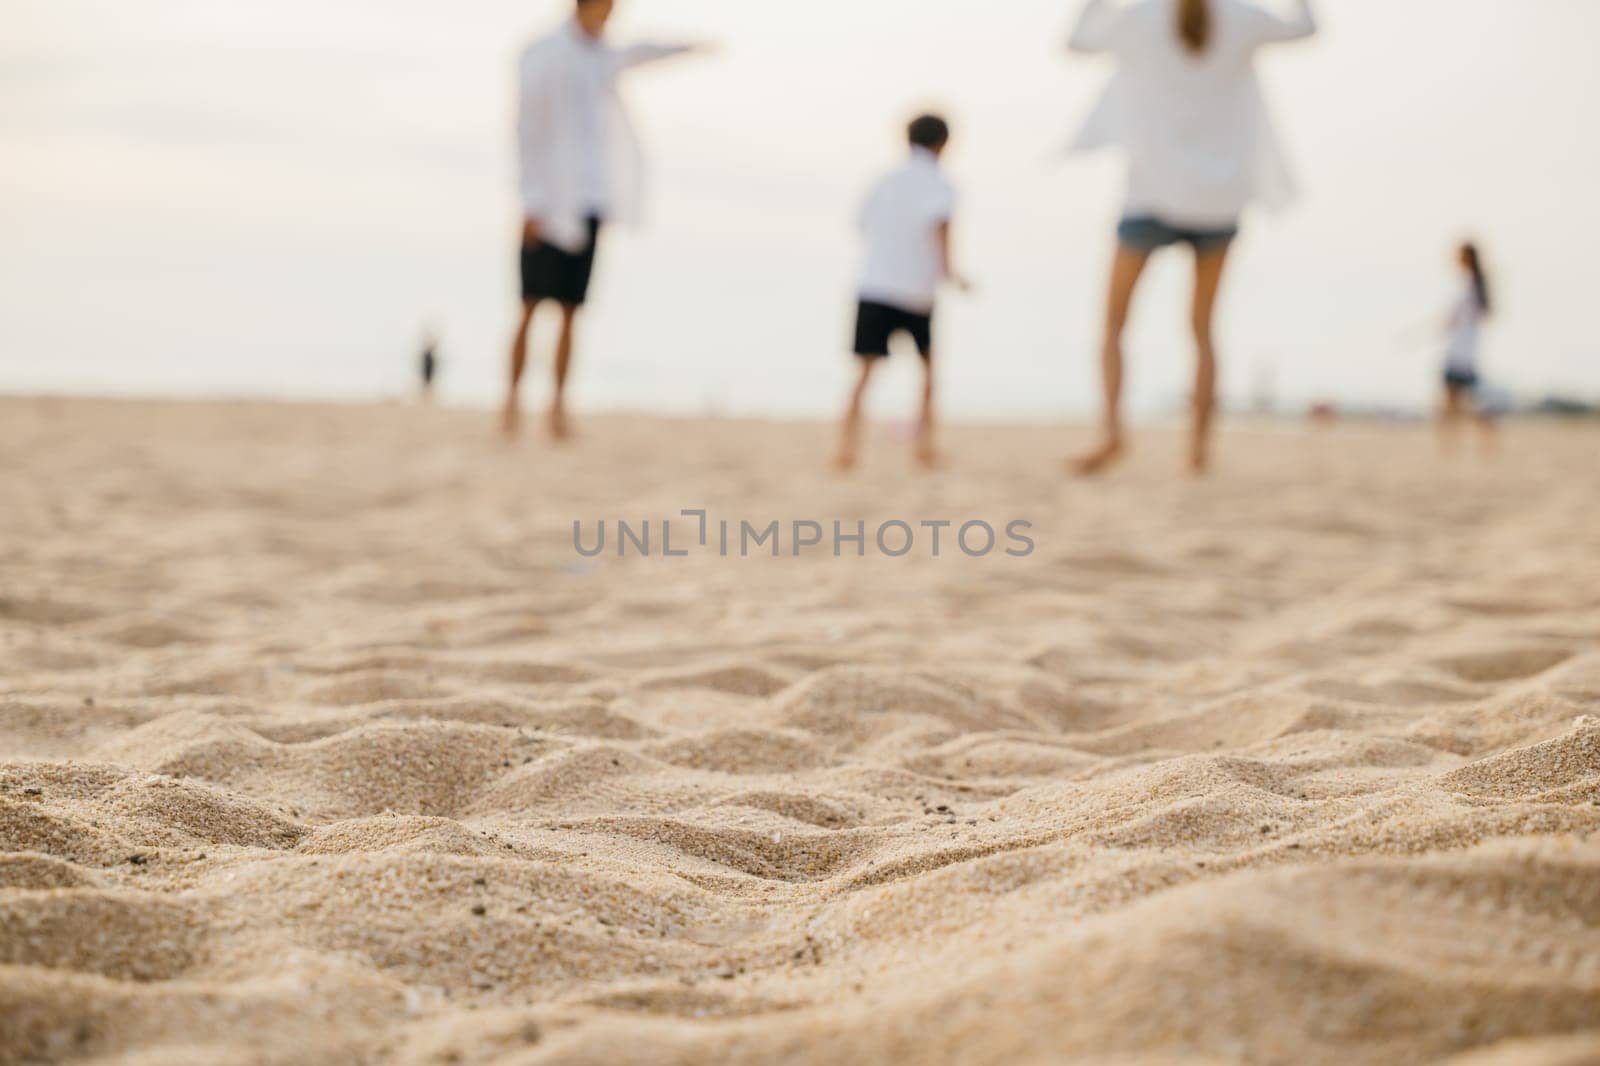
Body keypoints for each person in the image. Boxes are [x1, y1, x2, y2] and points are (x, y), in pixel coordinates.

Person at [1064, 0, 1317, 475]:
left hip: (1150, 194)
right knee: (1202, 331)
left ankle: (1113, 433)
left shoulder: (1138, 17)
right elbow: (1306, 28)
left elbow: (1077, 43)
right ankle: (1198, 452)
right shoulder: (1242, 17)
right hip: (1219, 199)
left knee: (1114, 326)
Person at [504, 0, 704, 440]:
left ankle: (557, 408)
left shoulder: (603, 55)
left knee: (573, 311)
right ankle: (511, 405)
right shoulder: (544, 52)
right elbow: (526, 127)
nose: (613, 15)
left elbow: (645, 52)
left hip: (590, 198)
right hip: (548, 200)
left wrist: (693, 47)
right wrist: (531, 200)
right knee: (530, 305)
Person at [835, 114, 971, 472]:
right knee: (927, 372)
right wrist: (950, 272)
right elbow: (941, 228)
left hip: (875, 285)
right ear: (943, 143)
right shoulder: (940, 182)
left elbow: (860, 224)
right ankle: (924, 449)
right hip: (916, 291)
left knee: (864, 374)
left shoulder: (883, 180)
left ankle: (846, 448)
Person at [1438, 241, 1496, 452]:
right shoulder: (1478, 287)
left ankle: (1448, 447)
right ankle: (1454, 444)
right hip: (1468, 352)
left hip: (1458, 352)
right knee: (1457, 403)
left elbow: (1453, 319)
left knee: (1451, 405)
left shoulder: (1471, 286)